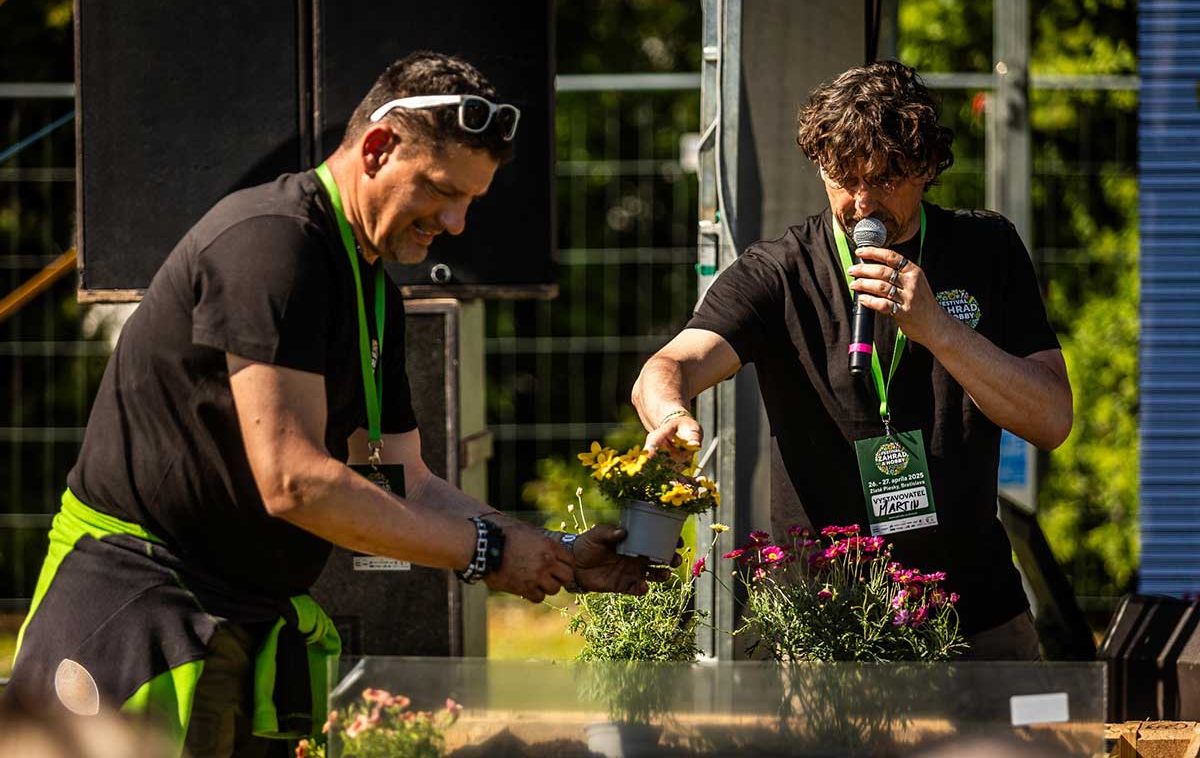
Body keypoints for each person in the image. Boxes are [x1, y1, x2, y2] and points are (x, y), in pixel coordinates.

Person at [10, 51, 668, 756]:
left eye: (471, 200)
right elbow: (293, 482)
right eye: (443, 190)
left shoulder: (373, 283)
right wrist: (484, 552)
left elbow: (403, 476)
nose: (455, 223)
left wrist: (555, 554)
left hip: (236, 620)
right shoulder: (272, 244)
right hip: (135, 616)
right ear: (378, 149)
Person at [632, 60, 1072, 660]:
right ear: (820, 167)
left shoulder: (985, 249)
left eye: (886, 177)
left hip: (974, 608)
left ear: (926, 167)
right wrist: (669, 415)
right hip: (827, 621)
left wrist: (939, 330)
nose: (863, 202)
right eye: (844, 177)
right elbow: (671, 364)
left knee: (1027, 751)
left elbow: (1051, 419)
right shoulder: (780, 270)